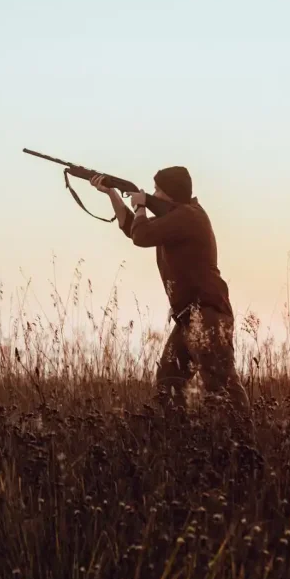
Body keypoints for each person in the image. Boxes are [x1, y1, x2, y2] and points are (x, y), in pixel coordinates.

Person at [89, 167, 250, 416]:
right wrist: (112, 192)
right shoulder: (178, 218)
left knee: (222, 387)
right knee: (168, 381)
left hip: (206, 314)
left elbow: (141, 235)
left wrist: (141, 205)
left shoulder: (189, 216)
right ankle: (178, 439)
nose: (152, 194)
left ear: (170, 194)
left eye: (157, 191)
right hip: (188, 318)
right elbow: (132, 227)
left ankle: (243, 447)